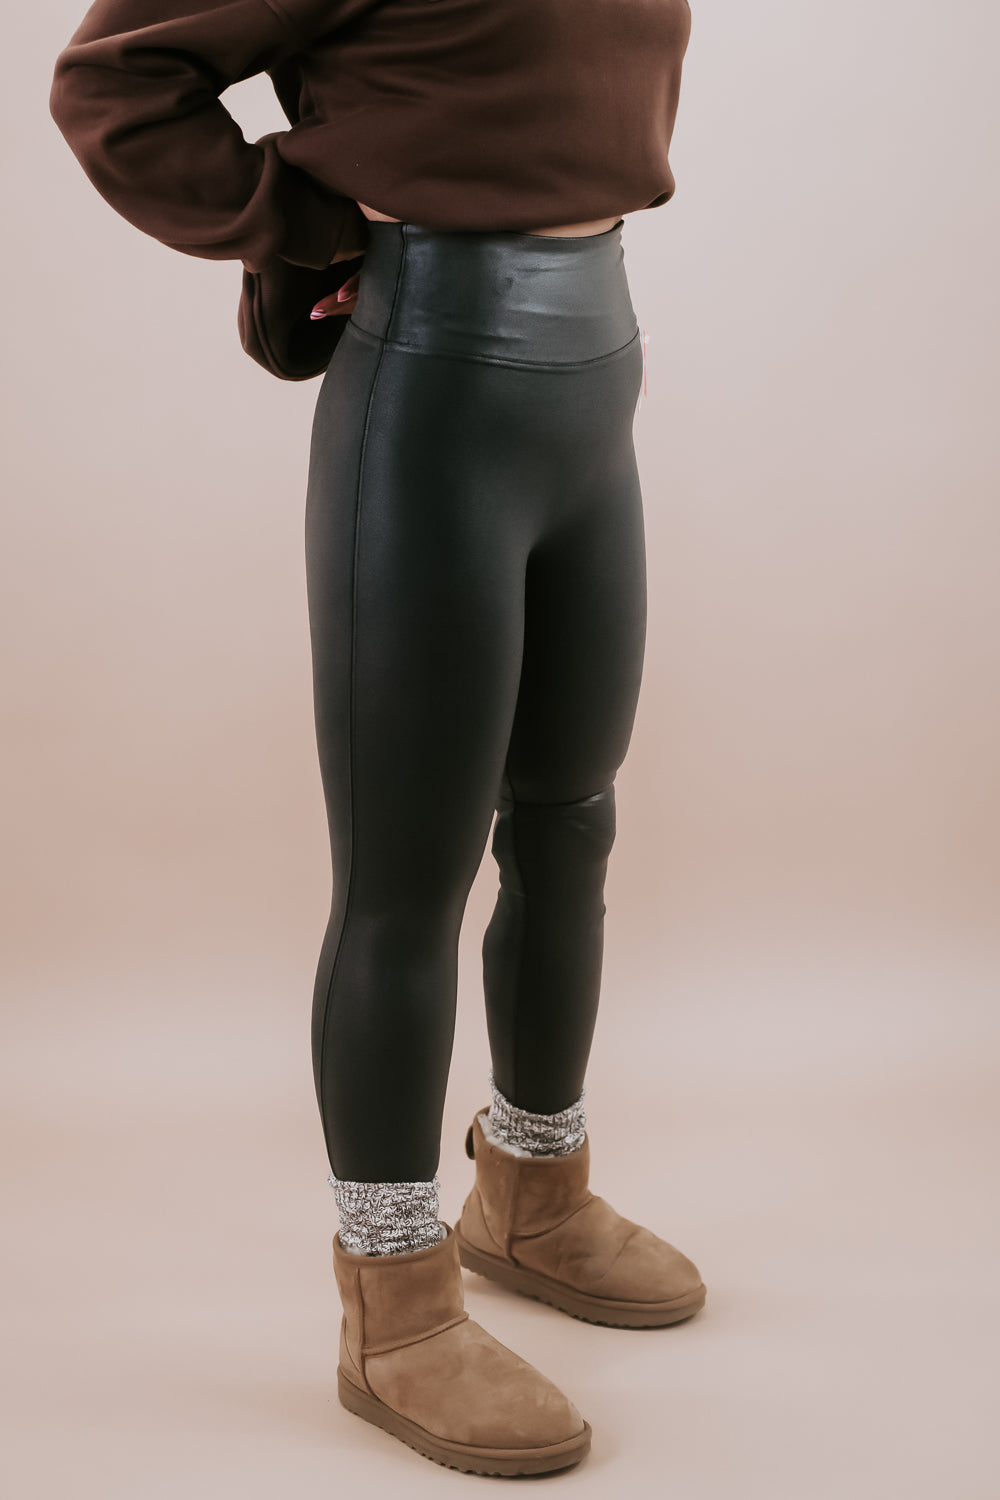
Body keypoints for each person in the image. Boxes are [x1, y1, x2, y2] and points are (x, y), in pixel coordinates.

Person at [49, 0, 704, 1475]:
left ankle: (531, 1192)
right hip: (437, 382)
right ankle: (394, 1301)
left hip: (597, 358)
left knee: (571, 817)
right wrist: (307, 221)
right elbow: (113, 81)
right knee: (410, 876)